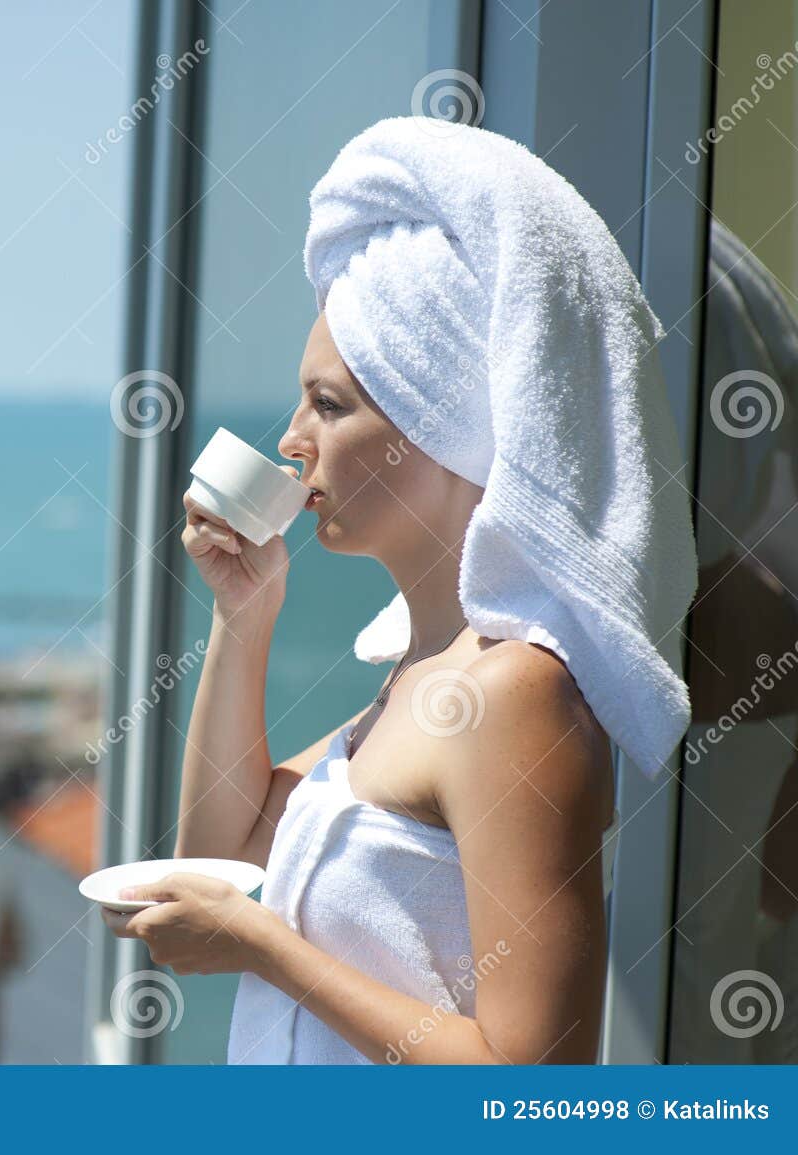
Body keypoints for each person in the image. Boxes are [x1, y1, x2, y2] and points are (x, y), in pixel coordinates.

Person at [103, 116, 697, 1065]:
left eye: (330, 404)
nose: (292, 438)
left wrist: (264, 945)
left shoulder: (513, 698)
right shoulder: (415, 683)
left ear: (441, 421)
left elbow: (531, 1082)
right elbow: (217, 846)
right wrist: (243, 615)